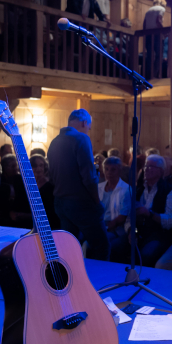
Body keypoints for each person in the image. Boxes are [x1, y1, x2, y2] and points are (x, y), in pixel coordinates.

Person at [48, 109, 109, 261]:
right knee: (102, 246)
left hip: (60, 202)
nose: (89, 129)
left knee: (68, 249)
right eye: (89, 126)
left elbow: (51, 175)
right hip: (80, 203)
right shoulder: (81, 138)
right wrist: (96, 201)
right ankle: (99, 282)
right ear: (84, 122)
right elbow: (88, 176)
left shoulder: (54, 141)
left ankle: (71, 282)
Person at [132, 154, 172, 266]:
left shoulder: (170, 191)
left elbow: (171, 221)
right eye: (145, 166)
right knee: (117, 247)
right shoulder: (139, 190)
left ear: (161, 171)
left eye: (150, 167)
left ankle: (147, 282)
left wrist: (149, 213)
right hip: (139, 232)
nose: (146, 169)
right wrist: (131, 230)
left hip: (160, 235)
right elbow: (130, 216)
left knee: (146, 255)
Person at [98, 156, 132, 259]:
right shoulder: (99, 187)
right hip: (99, 225)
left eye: (113, 170)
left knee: (99, 244)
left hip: (116, 228)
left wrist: (106, 227)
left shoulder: (126, 189)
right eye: (107, 169)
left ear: (119, 171)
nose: (109, 173)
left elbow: (123, 216)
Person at [29, 154, 60, 229]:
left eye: (41, 165)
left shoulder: (50, 185)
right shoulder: (27, 184)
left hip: (47, 222)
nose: (38, 169)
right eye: (35, 166)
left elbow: (50, 211)